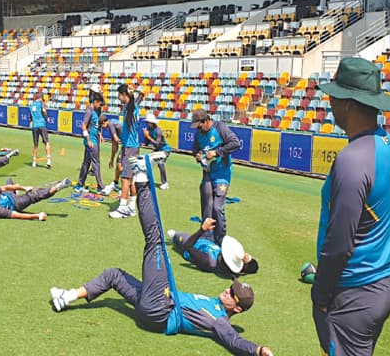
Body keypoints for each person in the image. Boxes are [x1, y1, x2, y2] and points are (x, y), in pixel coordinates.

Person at [50, 152, 274, 356]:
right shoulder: (214, 303)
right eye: (230, 287)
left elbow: (234, 341)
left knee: (155, 241)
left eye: (231, 293)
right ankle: (66, 297)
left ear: (236, 308)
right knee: (113, 275)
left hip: (160, 310)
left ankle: (142, 179)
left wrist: (258, 350)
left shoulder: (221, 321)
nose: (226, 290)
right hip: (155, 306)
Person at [312, 57, 390, 356]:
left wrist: (320, 294)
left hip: (354, 293)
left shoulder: (352, 160)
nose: (330, 102)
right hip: (380, 281)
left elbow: (340, 242)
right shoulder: (386, 144)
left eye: (335, 96)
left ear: (349, 103)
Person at [190, 109, 240, 245]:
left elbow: (235, 143)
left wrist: (217, 153)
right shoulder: (199, 133)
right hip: (207, 173)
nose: (198, 129)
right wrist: (198, 155)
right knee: (207, 203)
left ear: (205, 121)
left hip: (222, 174)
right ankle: (206, 236)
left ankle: (221, 240)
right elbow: (195, 150)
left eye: (199, 125)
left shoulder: (220, 128)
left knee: (217, 207)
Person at [167, 218, 259, 276]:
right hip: (209, 241)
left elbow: (188, 246)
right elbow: (251, 267)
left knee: (176, 235)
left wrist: (202, 230)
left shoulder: (208, 262)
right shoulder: (230, 266)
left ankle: (174, 236)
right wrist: (248, 258)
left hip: (192, 242)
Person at [109, 84, 144, 218]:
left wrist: (131, 91)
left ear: (125, 95)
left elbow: (137, 96)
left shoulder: (131, 106)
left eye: (120, 95)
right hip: (129, 146)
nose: (118, 98)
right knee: (132, 178)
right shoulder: (132, 105)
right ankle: (131, 207)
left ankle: (123, 207)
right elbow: (143, 94)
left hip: (130, 146)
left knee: (125, 177)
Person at [0, 178, 73, 220]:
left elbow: (5, 188)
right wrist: (37, 216)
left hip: (9, 195)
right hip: (15, 203)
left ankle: (15, 192)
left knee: (9, 181)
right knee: (34, 195)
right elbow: (18, 215)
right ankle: (60, 186)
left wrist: (24, 188)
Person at [75, 92, 104, 193]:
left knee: (86, 163)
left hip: (94, 139)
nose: (101, 106)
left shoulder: (97, 110)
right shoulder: (89, 111)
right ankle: (100, 187)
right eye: (100, 104)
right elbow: (83, 126)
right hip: (91, 142)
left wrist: (100, 134)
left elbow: (96, 124)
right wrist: (88, 140)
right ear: (95, 102)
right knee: (96, 163)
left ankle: (79, 185)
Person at [143, 113, 171, 190]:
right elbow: (146, 143)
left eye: (148, 122)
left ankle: (165, 183)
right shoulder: (148, 130)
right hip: (157, 150)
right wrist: (145, 136)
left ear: (152, 122)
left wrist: (148, 136)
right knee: (147, 161)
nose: (147, 124)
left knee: (160, 163)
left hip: (165, 150)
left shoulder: (158, 130)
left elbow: (157, 143)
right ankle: (146, 180)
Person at [100, 116, 122, 196]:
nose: (102, 128)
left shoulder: (111, 124)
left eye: (101, 126)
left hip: (129, 145)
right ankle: (115, 183)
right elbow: (114, 145)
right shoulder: (113, 121)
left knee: (121, 166)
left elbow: (116, 140)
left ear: (104, 123)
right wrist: (111, 159)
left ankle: (127, 188)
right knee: (118, 162)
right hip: (127, 144)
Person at [29, 91, 52, 168]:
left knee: (35, 145)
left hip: (34, 126)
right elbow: (44, 111)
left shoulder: (31, 105)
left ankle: (34, 162)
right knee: (46, 142)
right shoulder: (41, 103)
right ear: (41, 97)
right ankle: (48, 160)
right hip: (41, 124)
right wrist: (46, 117)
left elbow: (31, 118)